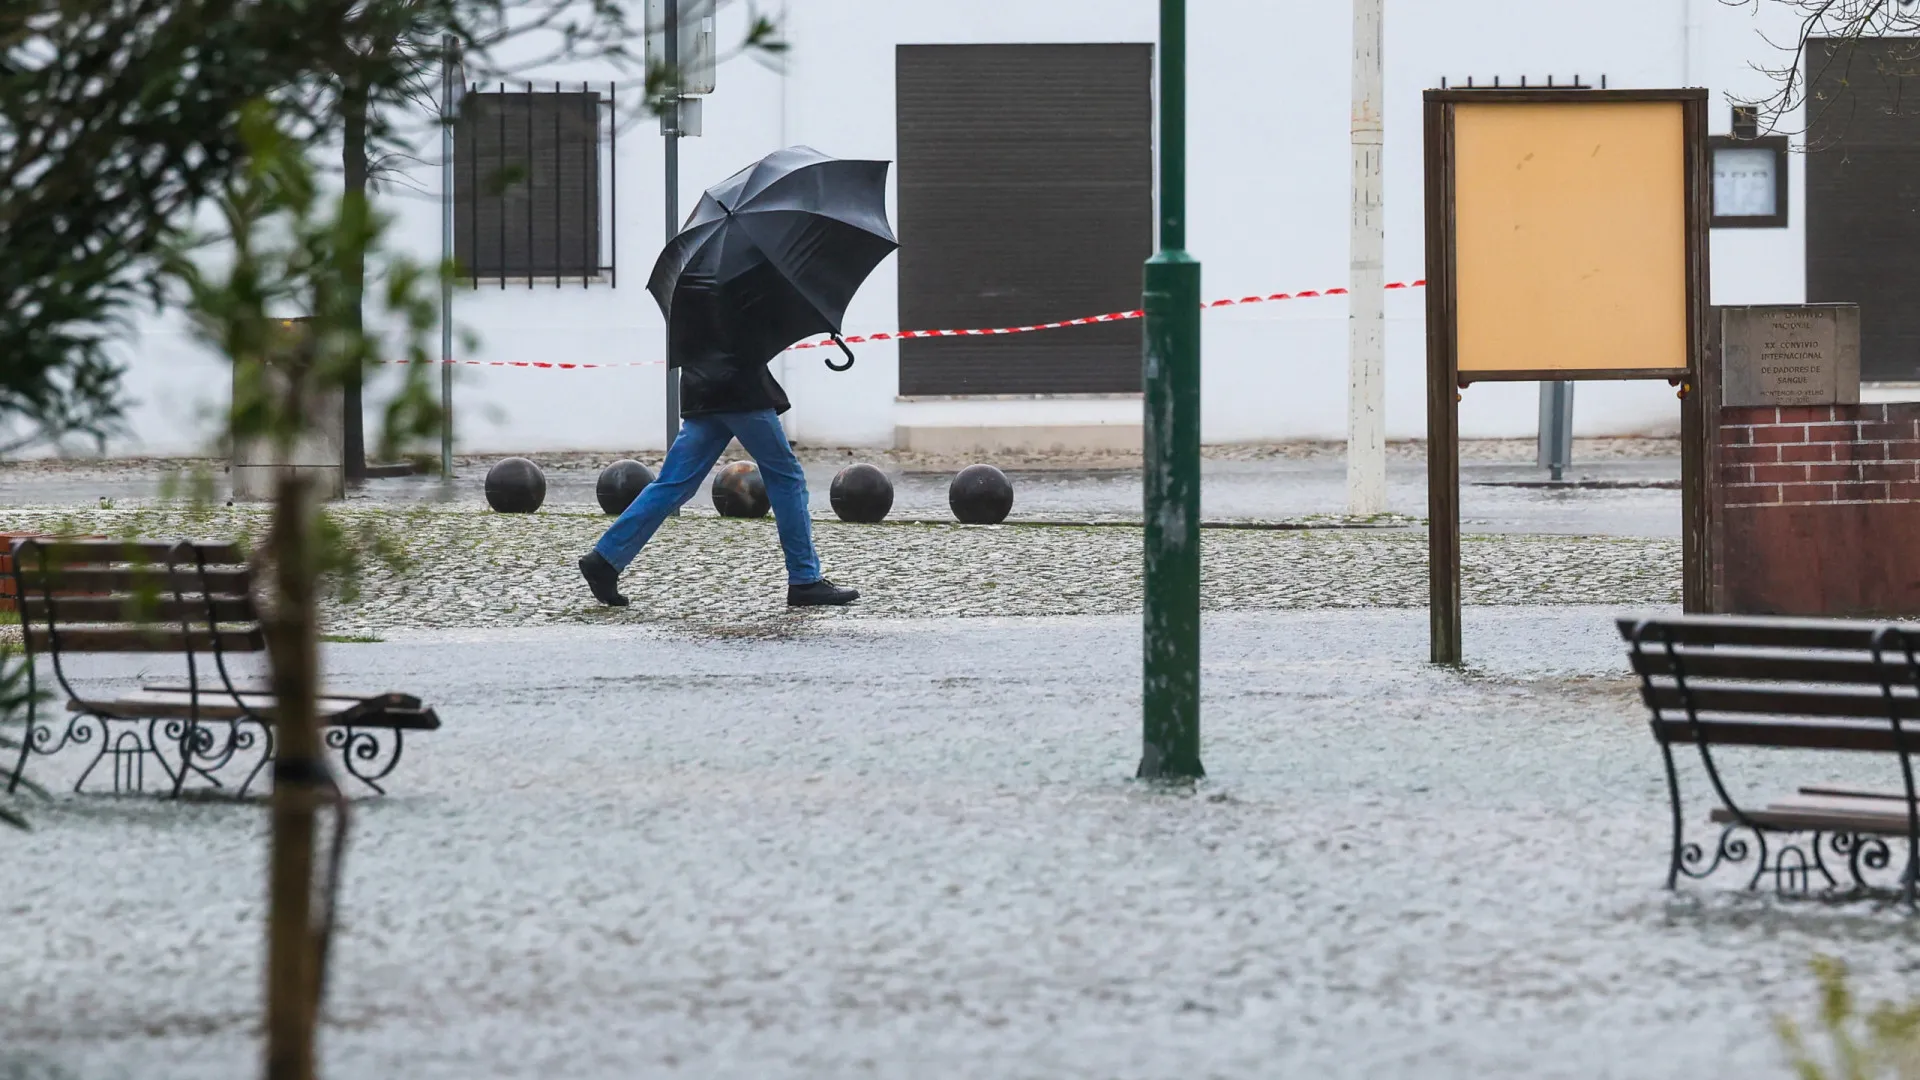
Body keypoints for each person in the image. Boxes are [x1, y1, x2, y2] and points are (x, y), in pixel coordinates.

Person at [578, 352, 857, 609]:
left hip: (703, 390)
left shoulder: (686, 296)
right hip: (741, 390)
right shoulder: (741, 296)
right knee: (787, 478)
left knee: (673, 483)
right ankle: (805, 579)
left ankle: (605, 559)